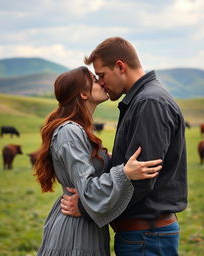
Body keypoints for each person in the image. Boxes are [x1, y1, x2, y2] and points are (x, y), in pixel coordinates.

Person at [61, 37, 187, 256]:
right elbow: (132, 171)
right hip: (144, 237)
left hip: (146, 238)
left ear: (120, 66)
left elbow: (143, 178)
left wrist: (86, 208)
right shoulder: (142, 99)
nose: (100, 82)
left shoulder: (149, 103)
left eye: (101, 75)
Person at [34, 66, 163, 255]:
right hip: (75, 230)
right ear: (83, 93)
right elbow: (87, 190)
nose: (102, 82)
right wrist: (124, 173)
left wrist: (108, 163)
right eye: (95, 80)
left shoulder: (81, 130)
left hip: (87, 224)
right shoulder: (70, 132)